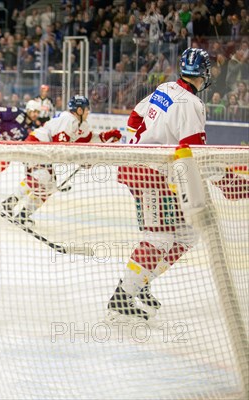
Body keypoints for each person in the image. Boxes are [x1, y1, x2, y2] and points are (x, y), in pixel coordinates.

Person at [108, 48, 211, 320]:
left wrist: (134, 145)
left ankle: (139, 281)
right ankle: (121, 298)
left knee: (187, 234)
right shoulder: (192, 104)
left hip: (143, 167)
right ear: (204, 73)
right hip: (147, 173)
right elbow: (193, 154)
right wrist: (225, 181)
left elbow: (134, 116)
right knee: (160, 237)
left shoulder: (165, 87)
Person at [1, 95, 122, 225]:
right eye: (86, 109)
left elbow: (88, 138)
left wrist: (106, 136)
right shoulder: (67, 119)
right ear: (79, 110)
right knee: (42, 175)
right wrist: (82, 160)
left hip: (45, 151)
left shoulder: (81, 124)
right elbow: (62, 148)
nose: (88, 111)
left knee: (49, 187)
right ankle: (9, 203)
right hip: (36, 144)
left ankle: (23, 215)